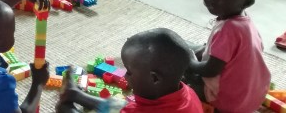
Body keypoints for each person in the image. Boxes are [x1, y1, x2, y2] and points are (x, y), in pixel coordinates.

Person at [185, 0, 271, 113]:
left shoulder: (228, 30)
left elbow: (210, 70)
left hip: (228, 102)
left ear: (247, 3)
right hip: (252, 97)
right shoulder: (245, 23)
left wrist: (190, 62)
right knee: (189, 47)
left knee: (179, 67)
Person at [58, 28, 203, 113]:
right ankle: (75, 94)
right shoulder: (189, 93)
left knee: (64, 109)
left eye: (129, 71)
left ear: (154, 78)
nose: (125, 76)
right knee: (122, 105)